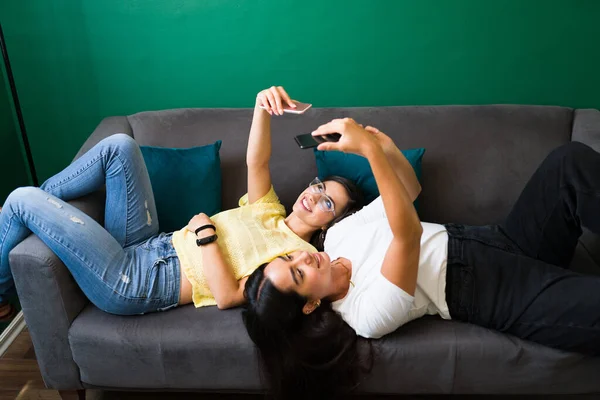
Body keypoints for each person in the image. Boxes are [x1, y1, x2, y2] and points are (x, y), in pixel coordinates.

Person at [243, 117, 600, 399]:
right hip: (492, 289)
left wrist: (386, 148)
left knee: (566, 164)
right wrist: (369, 152)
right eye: (298, 276)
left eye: (291, 258)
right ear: (309, 306)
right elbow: (408, 234)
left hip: (497, 238)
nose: (305, 260)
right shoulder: (364, 316)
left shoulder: (336, 236)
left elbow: (408, 191)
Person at [0, 86, 364, 321]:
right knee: (119, 147)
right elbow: (258, 162)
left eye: (327, 203)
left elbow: (229, 296)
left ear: (331, 224)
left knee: (21, 199)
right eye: (319, 186)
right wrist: (261, 106)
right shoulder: (270, 209)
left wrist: (206, 232)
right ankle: (43, 203)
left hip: (139, 280)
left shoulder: (296, 259)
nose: (314, 195)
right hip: (150, 241)